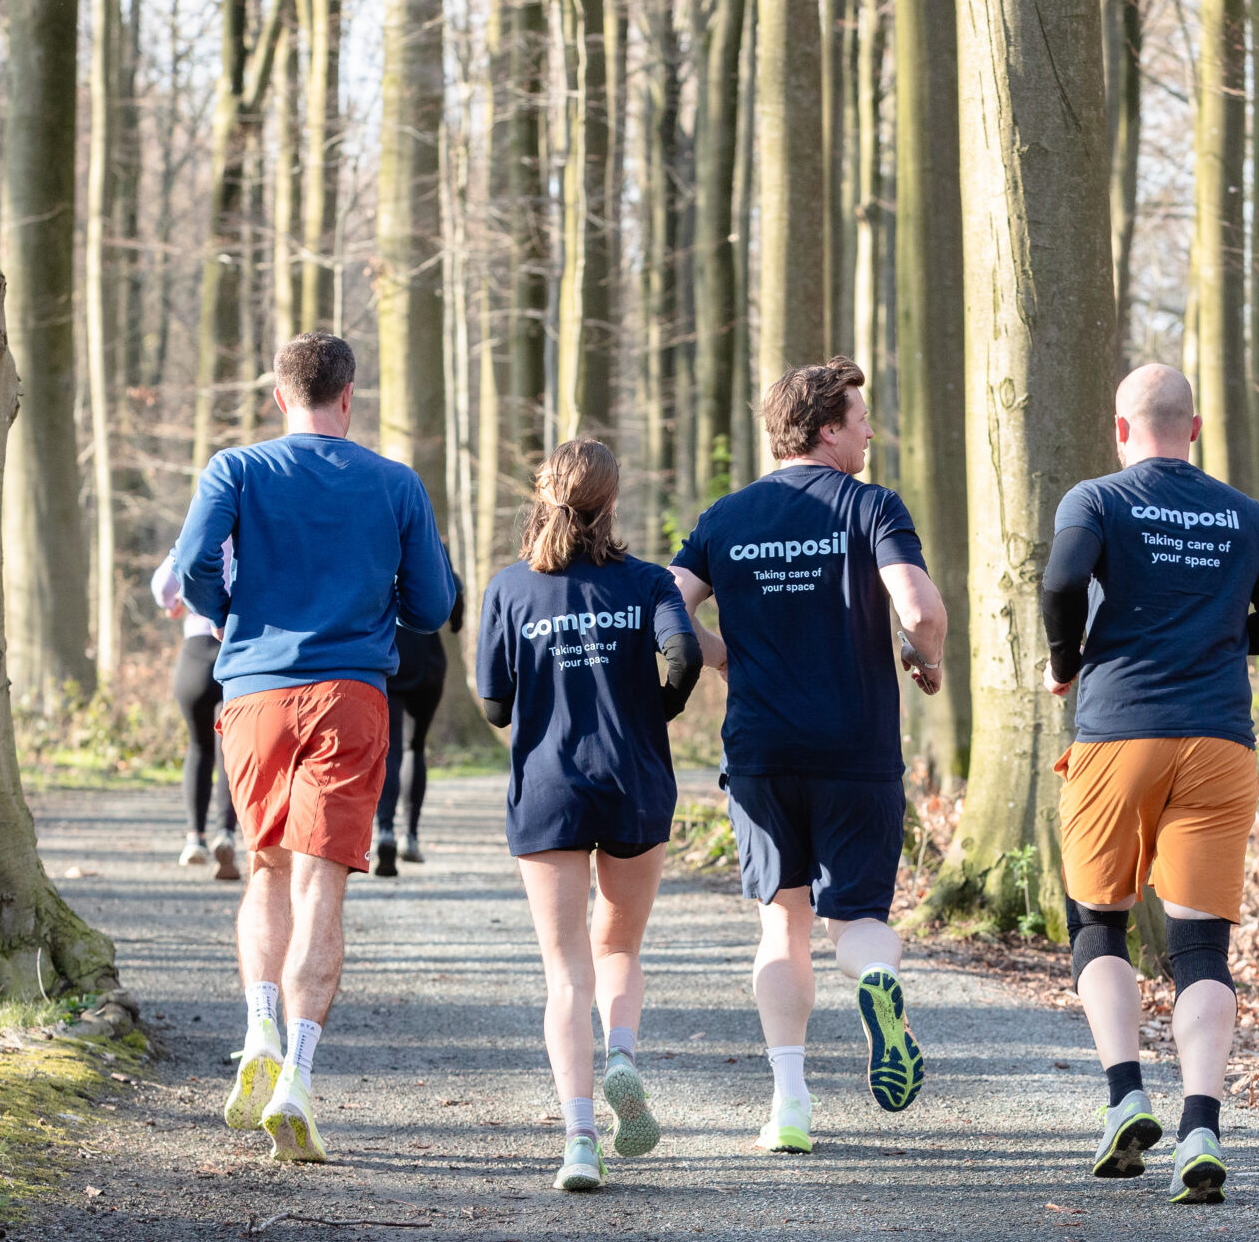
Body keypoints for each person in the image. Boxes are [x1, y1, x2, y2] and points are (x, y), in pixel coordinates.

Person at [172, 332, 457, 1163]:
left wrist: (232, 609)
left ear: (278, 396)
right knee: (321, 883)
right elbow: (432, 605)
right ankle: (295, 1076)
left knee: (265, 867)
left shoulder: (235, 469)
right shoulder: (396, 484)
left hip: (254, 693)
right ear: (349, 395)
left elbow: (192, 565)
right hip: (351, 696)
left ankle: (259, 1026)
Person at [1038, 364, 1259, 1203]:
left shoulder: (1096, 498)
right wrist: (1216, 636)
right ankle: (1201, 1129)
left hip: (1118, 735)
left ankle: (1125, 1096)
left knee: (1098, 923)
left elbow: (1060, 582)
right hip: (1219, 743)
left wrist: (1066, 661)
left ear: (1121, 429)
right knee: (1199, 948)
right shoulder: (1246, 514)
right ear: (1193, 428)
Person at [669, 357, 946, 1155]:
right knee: (856, 919)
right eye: (860, 418)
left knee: (782, 924)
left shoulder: (726, 516)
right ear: (828, 429)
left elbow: (666, 604)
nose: (869, 431)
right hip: (855, 747)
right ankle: (876, 978)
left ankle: (789, 1104)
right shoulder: (870, 506)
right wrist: (924, 657)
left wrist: (723, 656)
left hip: (762, 751)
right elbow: (921, 607)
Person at [477, 441, 703, 1191]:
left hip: (548, 788)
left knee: (566, 971)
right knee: (620, 948)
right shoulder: (648, 581)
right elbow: (684, 657)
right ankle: (623, 1057)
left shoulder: (510, 587)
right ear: (611, 502)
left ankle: (579, 1141)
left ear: (544, 496)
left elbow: (494, 704)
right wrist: (653, 710)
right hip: (633, 779)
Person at [152, 542, 242, 881]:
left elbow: (163, 586)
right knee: (230, 748)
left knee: (199, 746)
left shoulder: (202, 533)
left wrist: (173, 603)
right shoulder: (258, 528)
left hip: (195, 654)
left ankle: (194, 839)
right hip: (237, 650)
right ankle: (226, 834)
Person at [372, 568, 466, 878]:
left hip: (386, 655)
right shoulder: (431, 551)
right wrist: (455, 622)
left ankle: (385, 831)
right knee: (414, 747)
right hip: (427, 660)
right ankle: (410, 836)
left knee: (389, 747)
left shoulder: (374, 550)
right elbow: (455, 599)